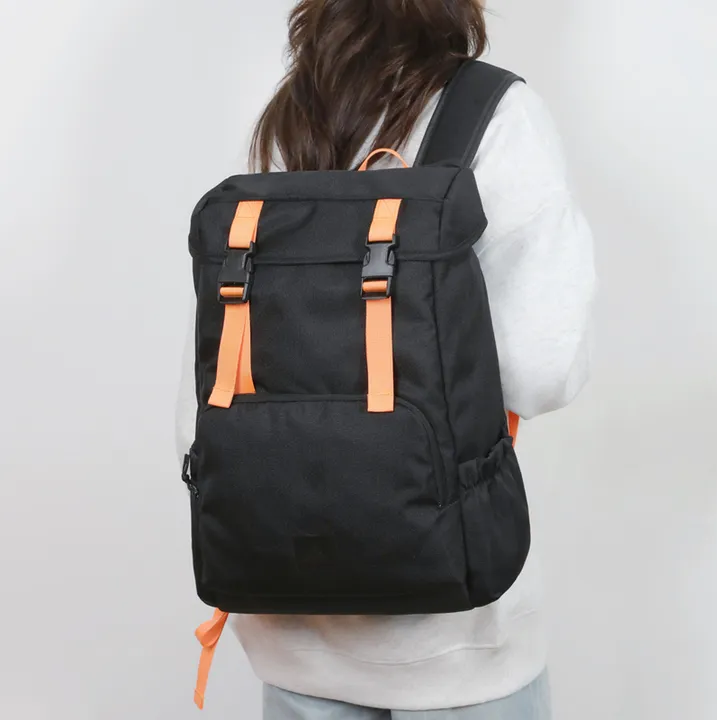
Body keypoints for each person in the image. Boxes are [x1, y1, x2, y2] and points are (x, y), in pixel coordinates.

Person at [176, 1, 596, 717]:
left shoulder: (287, 115)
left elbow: (213, 378)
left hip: (287, 615)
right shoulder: (496, 113)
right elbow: (545, 368)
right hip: (456, 636)